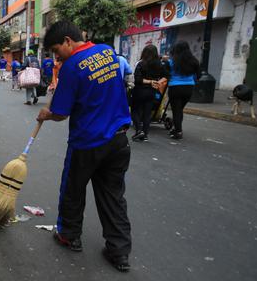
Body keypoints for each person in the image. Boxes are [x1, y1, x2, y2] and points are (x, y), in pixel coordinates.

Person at [36, 21, 132, 272]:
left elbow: (60, 113)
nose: (57, 58)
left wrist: (46, 113)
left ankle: (69, 234)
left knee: (73, 190)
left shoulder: (72, 67)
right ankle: (119, 252)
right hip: (119, 139)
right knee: (113, 196)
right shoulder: (108, 52)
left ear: (68, 41)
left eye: (57, 51)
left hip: (87, 143)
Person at [131, 45, 169, 142]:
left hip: (140, 91)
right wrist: (157, 82)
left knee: (135, 111)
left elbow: (137, 79)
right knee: (147, 113)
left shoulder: (141, 64)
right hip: (152, 92)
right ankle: (145, 134)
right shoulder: (160, 65)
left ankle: (139, 130)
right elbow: (166, 76)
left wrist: (150, 81)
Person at [163, 41, 199, 140]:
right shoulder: (194, 61)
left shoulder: (171, 62)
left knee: (176, 110)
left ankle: (178, 131)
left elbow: (165, 73)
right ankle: (176, 129)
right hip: (189, 87)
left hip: (175, 88)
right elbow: (198, 75)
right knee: (179, 109)